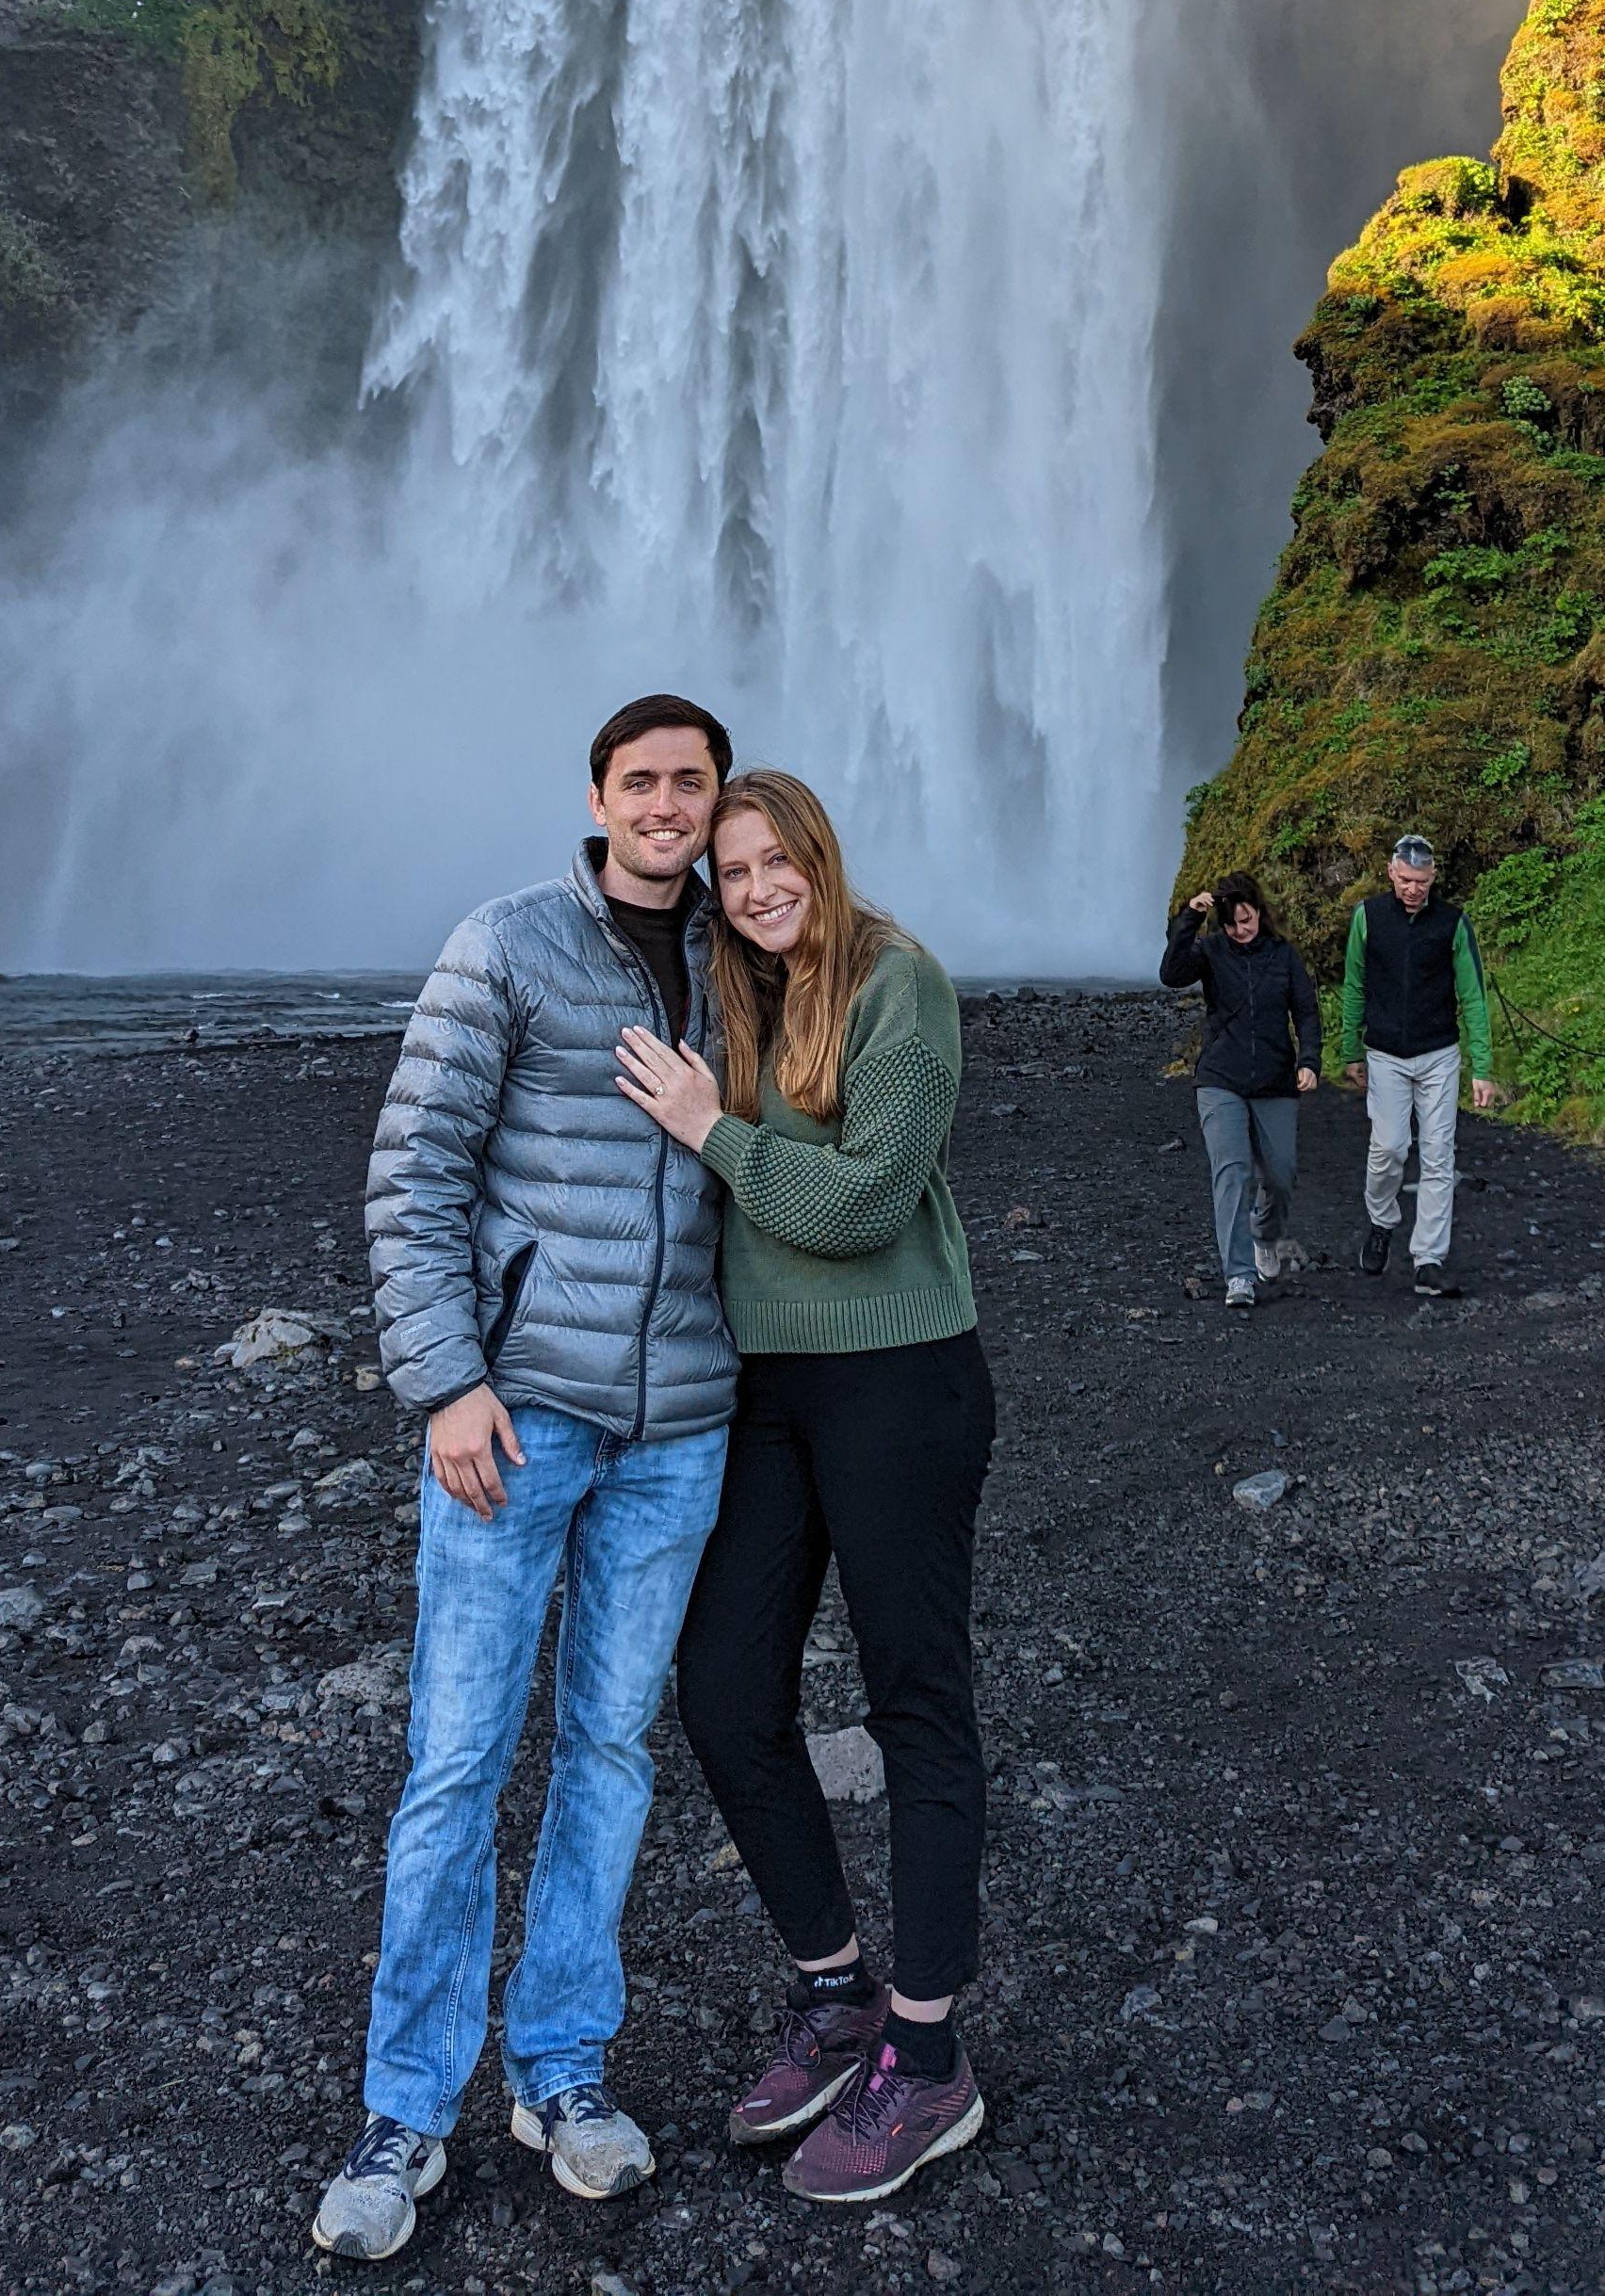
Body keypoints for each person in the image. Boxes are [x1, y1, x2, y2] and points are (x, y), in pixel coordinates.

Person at [308, 696, 741, 2267]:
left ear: (716, 801)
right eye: (644, 782)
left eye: (692, 784)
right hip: (517, 1421)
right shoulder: (504, 943)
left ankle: (559, 2074)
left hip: (681, 1426)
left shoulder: (744, 958)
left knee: (613, 1751)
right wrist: (444, 1380)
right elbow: (412, 1168)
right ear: (598, 796)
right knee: (457, 1760)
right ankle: (407, 2109)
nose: (667, 806)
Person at [612, 770, 993, 2205]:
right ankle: (834, 1989)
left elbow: (861, 1201)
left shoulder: (905, 985)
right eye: (737, 867)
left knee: (915, 1698)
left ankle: (927, 2052)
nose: (761, 885)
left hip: (903, 1377)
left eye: (780, 860)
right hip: (763, 1389)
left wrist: (713, 1130)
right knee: (722, 1692)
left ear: (819, 856)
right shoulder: (736, 995)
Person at [1326, 830, 1501, 1300]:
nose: (1413, 889)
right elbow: (1355, 984)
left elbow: (1473, 996)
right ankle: (1382, 1220)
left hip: (1440, 1055)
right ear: (1390, 872)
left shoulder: (1452, 924)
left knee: (1439, 1156)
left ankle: (1429, 1259)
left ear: (1433, 877)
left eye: (1421, 881)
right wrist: (1350, 1050)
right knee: (1388, 1150)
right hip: (1384, 1054)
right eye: (1405, 879)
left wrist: (1482, 1066)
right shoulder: (1367, 918)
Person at [1158, 874, 1320, 1311]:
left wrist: (1309, 1061)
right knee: (1232, 1173)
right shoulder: (1210, 953)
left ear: (1259, 914)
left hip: (1274, 1080)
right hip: (1220, 1080)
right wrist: (1190, 917)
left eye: (1246, 921)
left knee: (1282, 1174)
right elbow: (1171, 974)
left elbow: (1306, 1011)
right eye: (1231, 925)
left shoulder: (1283, 956)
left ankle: (1264, 1235)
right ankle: (1239, 1277)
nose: (1240, 930)